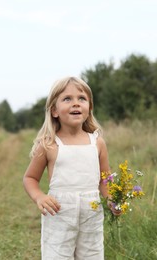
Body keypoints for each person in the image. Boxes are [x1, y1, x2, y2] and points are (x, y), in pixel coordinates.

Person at [23, 76, 120, 259]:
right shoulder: (49, 144)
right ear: (54, 110)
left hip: (91, 213)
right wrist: (39, 197)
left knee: (92, 254)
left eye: (81, 98)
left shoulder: (97, 143)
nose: (76, 103)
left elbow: (104, 179)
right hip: (59, 213)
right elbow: (30, 178)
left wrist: (111, 199)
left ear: (89, 108)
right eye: (67, 99)